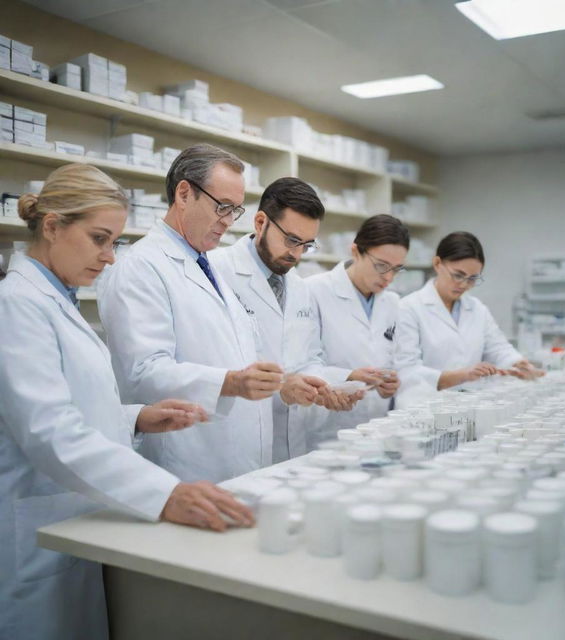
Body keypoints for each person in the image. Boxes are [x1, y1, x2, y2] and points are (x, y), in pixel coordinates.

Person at [0, 164, 254, 640]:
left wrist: (136, 416)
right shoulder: (17, 306)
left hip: (72, 516)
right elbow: (48, 430)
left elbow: (58, 403)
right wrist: (166, 493)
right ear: (52, 226)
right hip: (34, 527)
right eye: (100, 239)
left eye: (114, 241)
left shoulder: (56, 299)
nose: (110, 257)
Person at [98, 144, 283, 483]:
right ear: (184, 193)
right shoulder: (140, 267)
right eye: (223, 207)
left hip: (234, 458)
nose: (228, 221)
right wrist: (230, 382)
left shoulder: (206, 265)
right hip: (185, 463)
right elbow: (142, 371)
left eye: (235, 210)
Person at [212, 177, 365, 462]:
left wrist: (328, 387)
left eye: (307, 244)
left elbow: (306, 359)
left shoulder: (298, 287)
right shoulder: (216, 272)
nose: (296, 254)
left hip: (291, 444)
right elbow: (213, 368)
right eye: (292, 240)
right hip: (234, 444)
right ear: (260, 223)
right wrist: (281, 388)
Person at [396, 231, 542, 392]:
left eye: (472, 279)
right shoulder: (409, 308)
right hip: (424, 406)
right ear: (437, 264)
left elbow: (498, 348)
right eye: (458, 275)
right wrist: (462, 376)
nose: (464, 284)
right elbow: (408, 370)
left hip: (468, 405)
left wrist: (519, 363)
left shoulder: (477, 309)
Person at [305, 214, 407, 441]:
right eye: (381, 266)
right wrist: (348, 376)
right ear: (356, 251)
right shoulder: (314, 291)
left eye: (397, 269)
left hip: (377, 429)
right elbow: (302, 364)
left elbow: (397, 361)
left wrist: (390, 384)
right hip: (326, 430)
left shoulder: (392, 302)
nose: (389, 277)